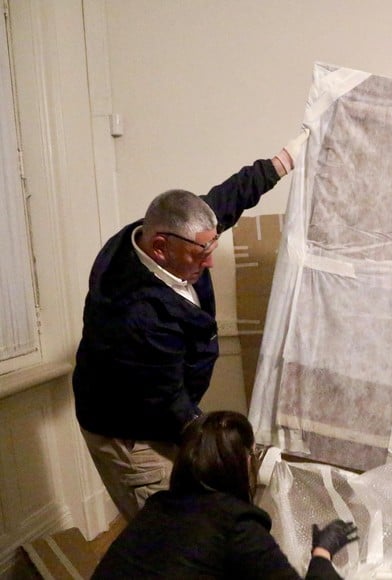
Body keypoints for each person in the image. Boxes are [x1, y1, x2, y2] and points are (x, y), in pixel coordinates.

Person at [73, 130, 308, 521]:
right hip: (129, 431)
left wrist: (284, 160)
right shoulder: (136, 317)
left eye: (212, 246)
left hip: (160, 406)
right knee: (172, 528)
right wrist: (237, 452)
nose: (211, 262)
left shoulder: (168, 234)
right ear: (161, 247)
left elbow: (226, 201)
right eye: (202, 252)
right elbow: (169, 405)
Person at [92, 411, 358, 578]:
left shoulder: (156, 508)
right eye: (252, 455)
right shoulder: (237, 526)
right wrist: (322, 553)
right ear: (240, 464)